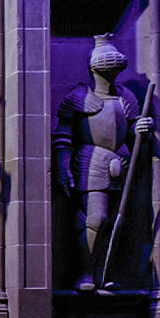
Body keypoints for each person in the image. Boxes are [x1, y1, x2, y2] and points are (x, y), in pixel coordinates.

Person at [53, 34, 154, 292]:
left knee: (113, 221)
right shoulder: (78, 96)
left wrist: (141, 129)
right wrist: (63, 167)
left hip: (120, 161)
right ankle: (86, 273)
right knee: (95, 218)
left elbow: (131, 134)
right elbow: (63, 136)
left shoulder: (126, 97)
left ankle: (103, 272)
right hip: (90, 161)